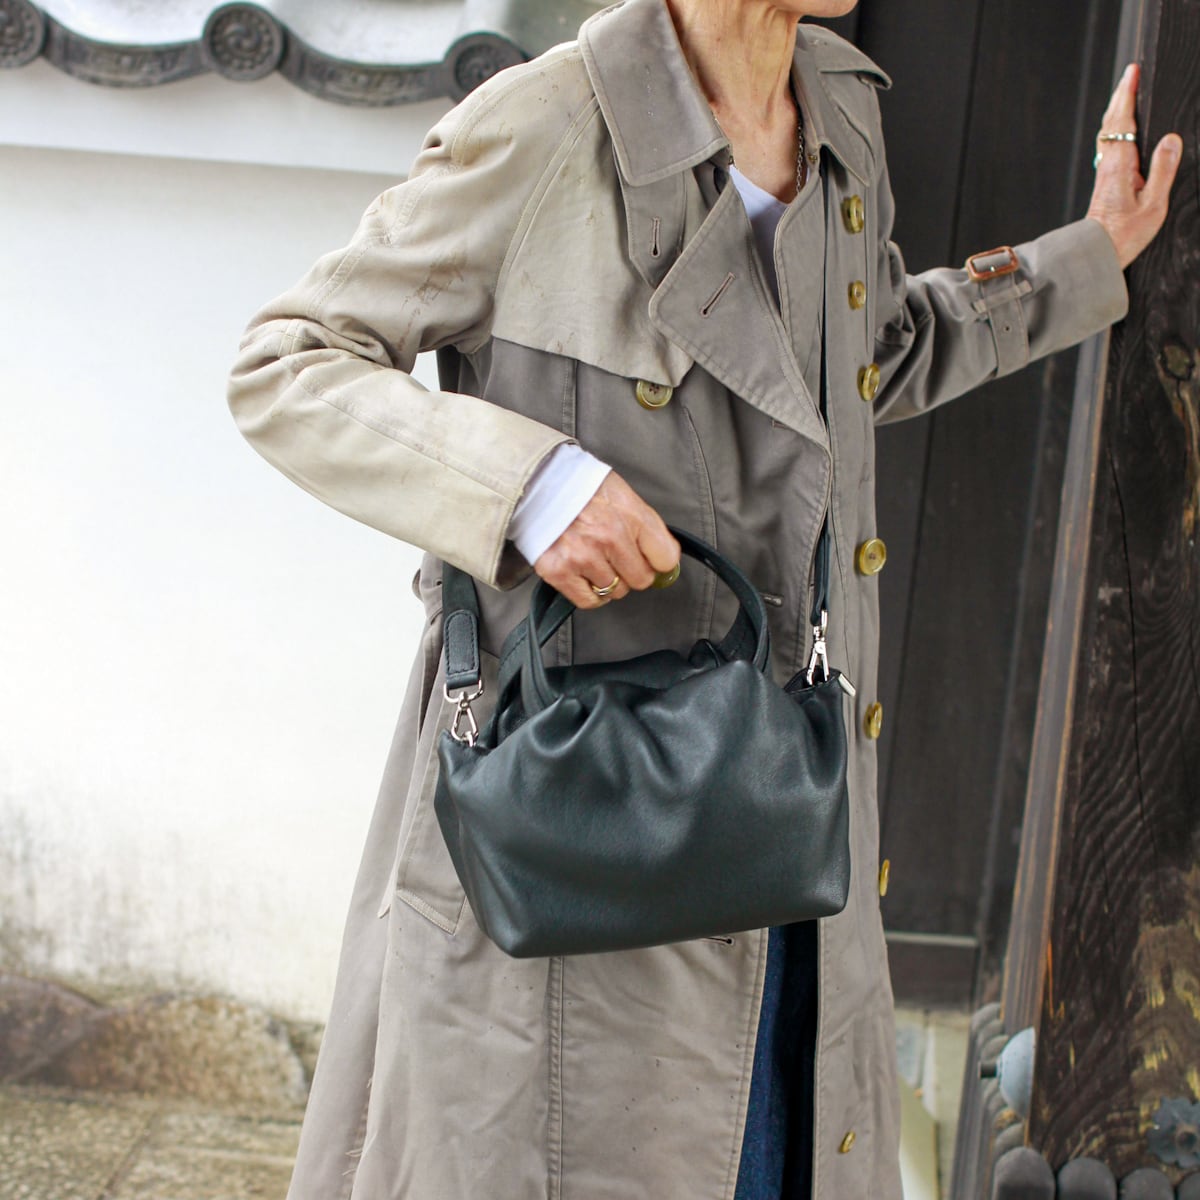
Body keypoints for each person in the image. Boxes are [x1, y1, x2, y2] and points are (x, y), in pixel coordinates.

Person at [227, 0, 1181, 1196]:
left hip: (782, 833)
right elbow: (289, 364)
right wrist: (529, 489)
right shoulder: (547, 125)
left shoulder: (837, 112)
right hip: (582, 851)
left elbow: (873, 351)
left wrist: (1085, 256)